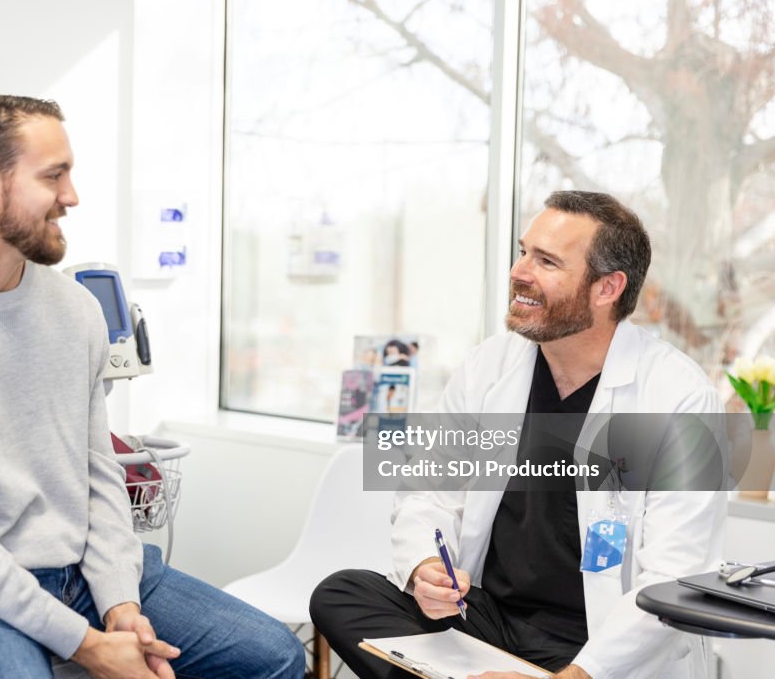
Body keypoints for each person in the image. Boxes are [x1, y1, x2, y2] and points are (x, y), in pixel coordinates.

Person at [0, 93, 304, 679]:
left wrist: (120, 603)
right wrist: (87, 644)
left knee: (273, 656)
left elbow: (96, 470)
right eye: (53, 176)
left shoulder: (73, 309)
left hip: (76, 567)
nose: (72, 197)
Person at [310, 191, 726, 679]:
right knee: (343, 593)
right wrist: (426, 567)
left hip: (595, 646)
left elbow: (670, 582)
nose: (519, 272)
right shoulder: (490, 366)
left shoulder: (680, 399)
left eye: (546, 261)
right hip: (490, 624)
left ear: (607, 288)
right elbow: (428, 493)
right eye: (523, 251)